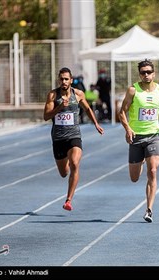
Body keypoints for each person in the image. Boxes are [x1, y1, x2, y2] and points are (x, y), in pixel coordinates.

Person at [118, 59, 159, 222]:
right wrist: (128, 129)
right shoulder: (133, 91)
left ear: (154, 73)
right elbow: (122, 112)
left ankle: (149, 210)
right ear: (139, 74)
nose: (146, 75)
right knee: (134, 178)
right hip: (136, 137)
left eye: (149, 72)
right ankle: (141, 160)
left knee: (153, 171)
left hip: (153, 136)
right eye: (143, 72)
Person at [43, 67, 104, 211]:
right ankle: (68, 167)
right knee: (64, 173)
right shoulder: (53, 95)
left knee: (75, 163)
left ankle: (68, 200)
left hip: (74, 135)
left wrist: (96, 123)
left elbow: (88, 109)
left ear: (71, 80)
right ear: (59, 80)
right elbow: (46, 116)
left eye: (66, 79)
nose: (64, 81)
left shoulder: (78, 94)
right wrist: (59, 107)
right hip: (58, 138)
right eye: (61, 79)